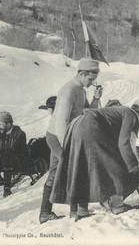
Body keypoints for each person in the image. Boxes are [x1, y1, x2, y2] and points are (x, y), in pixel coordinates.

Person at [50, 98, 139, 218]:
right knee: (115, 167)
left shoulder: (119, 111)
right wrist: (134, 166)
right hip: (90, 127)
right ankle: (117, 205)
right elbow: (124, 143)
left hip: (76, 125)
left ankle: (81, 210)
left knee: (82, 168)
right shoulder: (131, 115)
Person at [39, 58, 101, 224]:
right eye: (90, 79)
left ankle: (76, 210)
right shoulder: (69, 90)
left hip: (69, 137)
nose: (92, 82)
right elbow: (61, 122)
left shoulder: (80, 89)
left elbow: (88, 113)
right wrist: (67, 148)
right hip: (58, 137)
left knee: (72, 170)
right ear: (81, 74)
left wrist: (96, 99)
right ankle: (46, 213)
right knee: (61, 171)